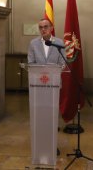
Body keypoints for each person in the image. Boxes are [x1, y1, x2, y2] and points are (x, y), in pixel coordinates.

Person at [27, 18, 66, 156]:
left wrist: (51, 72)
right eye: (40, 27)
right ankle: (40, 143)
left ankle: (52, 144)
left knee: (52, 117)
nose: (43, 29)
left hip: (53, 85)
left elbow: (63, 63)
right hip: (37, 86)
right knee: (40, 116)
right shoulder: (33, 43)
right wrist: (42, 72)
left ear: (51, 27)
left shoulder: (59, 43)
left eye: (46, 27)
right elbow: (30, 63)